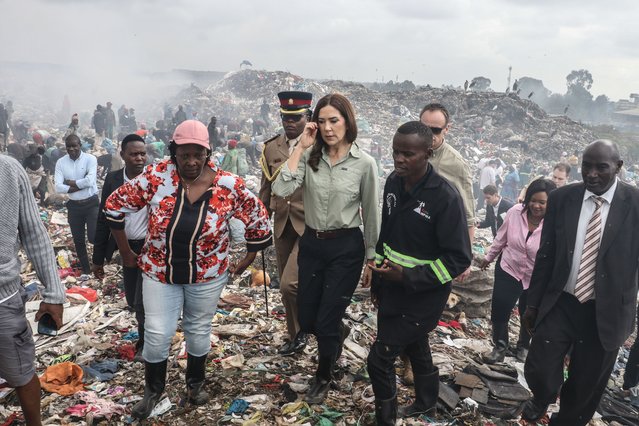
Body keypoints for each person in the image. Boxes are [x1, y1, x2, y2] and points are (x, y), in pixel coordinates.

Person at [104, 120, 272, 420]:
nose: (192, 161)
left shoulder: (229, 185)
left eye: (198, 154)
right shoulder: (156, 177)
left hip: (207, 277)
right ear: (174, 153)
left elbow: (258, 218)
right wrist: (127, 251)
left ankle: (195, 384)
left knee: (198, 329)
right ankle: (153, 389)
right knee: (157, 332)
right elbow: (115, 205)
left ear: (208, 153)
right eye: (185, 155)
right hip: (159, 272)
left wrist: (246, 259)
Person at [520, 140, 639, 424]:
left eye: (602, 168)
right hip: (561, 302)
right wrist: (532, 304)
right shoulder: (563, 199)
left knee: (585, 385)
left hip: (606, 312)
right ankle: (543, 396)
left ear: (618, 168)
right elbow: (546, 255)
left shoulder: (635, 204)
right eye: (587, 166)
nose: (592, 174)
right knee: (539, 367)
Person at [272, 93, 380, 404]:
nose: (328, 128)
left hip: (346, 247)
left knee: (326, 320)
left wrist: (371, 259)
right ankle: (335, 332)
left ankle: (323, 375)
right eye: (322, 121)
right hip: (312, 244)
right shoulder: (310, 157)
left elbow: (372, 213)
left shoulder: (364, 164)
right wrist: (301, 148)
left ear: (348, 122)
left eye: (334, 120)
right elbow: (282, 188)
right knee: (308, 319)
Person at [366, 121, 472, 424]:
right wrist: (379, 278)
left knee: (379, 359)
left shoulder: (445, 197)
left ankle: (385, 419)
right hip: (392, 289)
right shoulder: (394, 183)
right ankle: (427, 404)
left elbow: (458, 259)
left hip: (423, 296)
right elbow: (387, 233)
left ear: (428, 153)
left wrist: (410, 277)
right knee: (416, 346)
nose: (399, 159)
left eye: (408, 154)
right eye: (396, 152)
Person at [0, 155, 66, 426]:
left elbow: (34, 233)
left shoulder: (8, 170)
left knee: (21, 372)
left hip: (3, 298)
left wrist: (54, 293)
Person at [478, 179, 556, 363]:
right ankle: (499, 346)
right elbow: (501, 238)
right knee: (500, 307)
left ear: (550, 203)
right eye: (533, 200)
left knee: (528, 311)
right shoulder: (514, 213)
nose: (536, 206)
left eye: (542, 202)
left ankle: (523, 346)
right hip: (509, 268)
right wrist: (488, 258)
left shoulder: (554, 223)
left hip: (535, 276)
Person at [259, 91, 312, 356]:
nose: (289, 123)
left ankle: (313, 326)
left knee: (290, 283)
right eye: (285, 117)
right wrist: (258, 223)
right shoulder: (271, 147)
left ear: (308, 117)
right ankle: (296, 336)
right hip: (282, 223)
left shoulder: (317, 145)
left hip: (310, 224)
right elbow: (266, 188)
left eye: (296, 118)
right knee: (285, 284)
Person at [92, 134, 148, 361]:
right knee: (133, 299)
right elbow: (104, 217)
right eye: (134, 154)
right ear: (123, 155)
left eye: (143, 154)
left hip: (150, 247)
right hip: (126, 248)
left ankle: (145, 344)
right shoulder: (114, 179)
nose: (139, 158)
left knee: (144, 300)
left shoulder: (154, 179)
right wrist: (98, 258)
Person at [55, 134, 99, 279]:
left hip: (91, 203)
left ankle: (99, 263)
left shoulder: (90, 159)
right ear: (65, 147)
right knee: (78, 240)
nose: (72, 149)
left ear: (80, 145)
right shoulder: (61, 162)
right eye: (69, 147)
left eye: (75, 146)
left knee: (93, 237)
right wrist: (80, 184)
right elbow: (58, 187)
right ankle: (87, 270)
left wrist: (70, 182)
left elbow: (90, 181)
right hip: (74, 206)